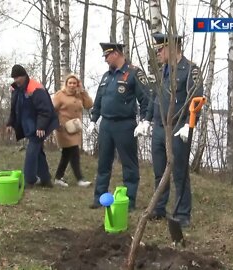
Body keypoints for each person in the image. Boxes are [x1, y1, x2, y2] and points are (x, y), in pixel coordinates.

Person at [139, 33, 204, 227]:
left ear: (172, 47)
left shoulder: (190, 70)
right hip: (159, 127)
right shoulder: (163, 70)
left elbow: (197, 99)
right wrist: (146, 120)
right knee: (160, 171)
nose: (158, 53)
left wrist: (189, 124)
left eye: (160, 49)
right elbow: (154, 97)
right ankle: (159, 208)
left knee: (179, 172)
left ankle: (182, 214)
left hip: (178, 127)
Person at [87, 43, 149, 210]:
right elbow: (99, 99)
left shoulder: (134, 73)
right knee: (103, 163)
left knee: (129, 164)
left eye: (107, 56)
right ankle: (99, 197)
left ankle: (129, 201)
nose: (106, 60)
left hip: (125, 124)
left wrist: (144, 120)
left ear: (115, 54)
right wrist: (93, 120)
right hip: (106, 124)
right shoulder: (107, 76)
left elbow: (145, 99)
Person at [6, 64, 59, 188]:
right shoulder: (16, 89)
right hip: (29, 126)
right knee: (38, 152)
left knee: (31, 151)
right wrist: (10, 123)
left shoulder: (35, 88)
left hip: (41, 125)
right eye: (14, 78)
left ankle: (29, 179)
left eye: (17, 77)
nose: (15, 80)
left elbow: (45, 110)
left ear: (24, 76)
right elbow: (14, 108)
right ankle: (46, 180)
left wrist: (41, 126)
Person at [52, 74, 93, 187]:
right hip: (63, 128)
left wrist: (83, 92)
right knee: (73, 152)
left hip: (75, 129)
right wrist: (56, 124)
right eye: (70, 83)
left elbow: (89, 105)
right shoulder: (60, 95)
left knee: (67, 153)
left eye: (74, 83)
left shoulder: (79, 95)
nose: (72, 85)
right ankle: (79, 179)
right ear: (66, 84)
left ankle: (58, 178)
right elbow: (51, 110)